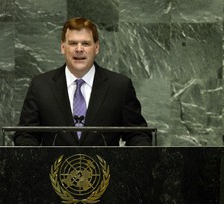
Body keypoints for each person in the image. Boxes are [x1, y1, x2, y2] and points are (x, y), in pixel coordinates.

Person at [13, 17, 152, 146]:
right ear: (63, 47)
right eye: (73, 43)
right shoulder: (41, 86)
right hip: (53, 171)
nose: (79, 49)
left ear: (96, 48)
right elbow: (26, 135)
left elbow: (138, 135)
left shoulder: (119, 86)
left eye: (85, 43)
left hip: (106, 171)